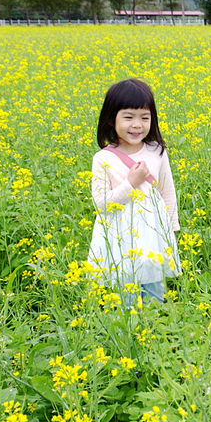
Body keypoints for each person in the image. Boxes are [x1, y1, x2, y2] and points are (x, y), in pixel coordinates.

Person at [88, 79, 180, 304]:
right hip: (119, 236)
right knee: (125, 295)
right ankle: (127, 335)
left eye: (145, 118)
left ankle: (152, 334)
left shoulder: (157, 151)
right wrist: (131, 184)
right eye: (128, 117)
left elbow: (167, 191)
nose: (137, 124)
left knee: (154, 294)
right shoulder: (103, 159)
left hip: (153, 233)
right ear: (111, 119)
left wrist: (172, 229)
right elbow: (100, 204)